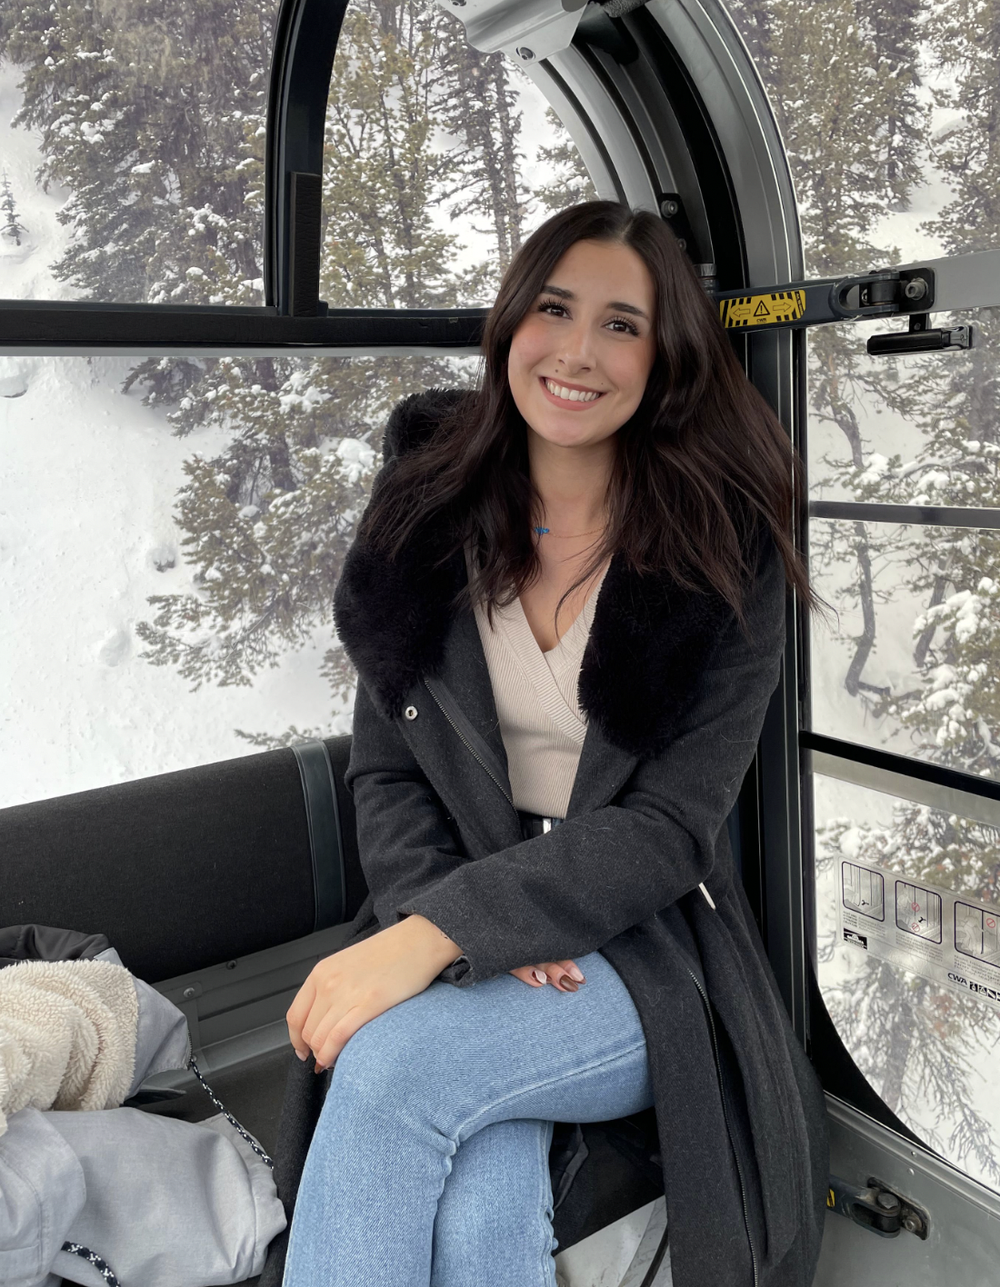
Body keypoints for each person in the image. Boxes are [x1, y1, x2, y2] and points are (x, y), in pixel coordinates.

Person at [275, 200, 830, 1287]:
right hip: (449, 891)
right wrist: (442, 915)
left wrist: (446, 932)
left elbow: (670, 828)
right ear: (509, 324)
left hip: (641, 943)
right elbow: (390, 765)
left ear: (664, 357)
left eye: (622, 324)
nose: (578, 353)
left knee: (390, 1073)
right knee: (481, 1216)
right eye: (553, 308)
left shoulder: (721, 543)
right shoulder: (425, 509)